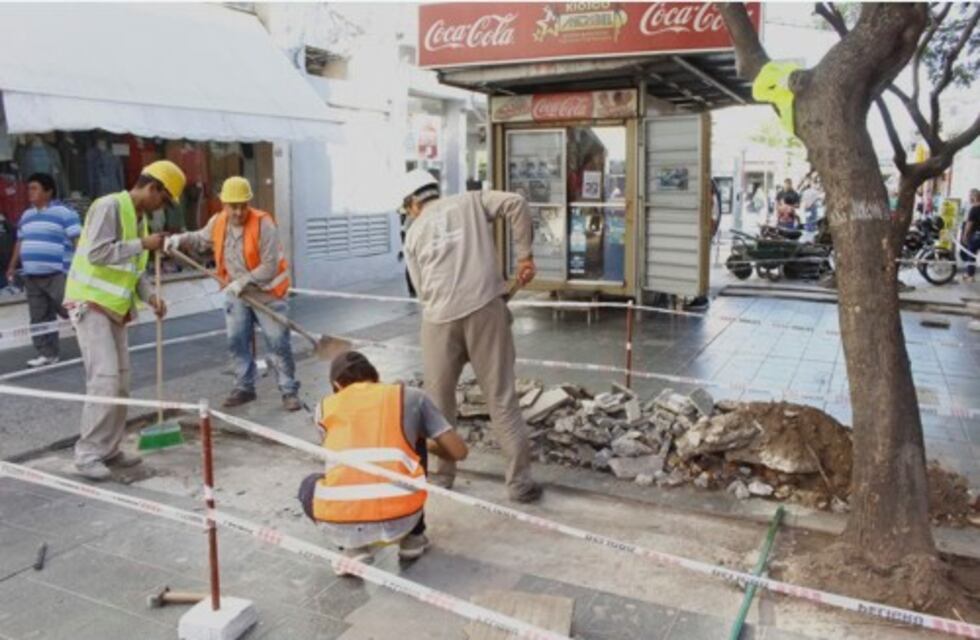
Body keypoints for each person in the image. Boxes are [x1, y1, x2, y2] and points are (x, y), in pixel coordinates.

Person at [399, 168, 542, 503]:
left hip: (438, 321)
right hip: (485, 312)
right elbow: (516, 203)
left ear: (412, 204)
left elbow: (421, 290)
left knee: (438, 403)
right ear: (434, 191)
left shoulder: (413, 232)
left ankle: (442, 477)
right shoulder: (472, 201)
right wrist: (525, 256)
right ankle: (519, 484)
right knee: (502, 399)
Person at [65, 160, 183, 480]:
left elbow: (133, 271)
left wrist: (151, 297)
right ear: (152, 187)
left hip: (115, 308)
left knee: (122, 382)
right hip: (90, 303)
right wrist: (142, 244)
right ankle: (88, 453)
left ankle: (109, 448)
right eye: (164, 199)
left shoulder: (139, 221)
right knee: (104, 380)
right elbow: (97, 253)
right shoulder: (109, 206)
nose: (162, 207)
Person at [297, 351, 468, 573]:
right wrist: (416, 438)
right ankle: (413, 539)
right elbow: (459, 452)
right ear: (376, 376)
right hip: (403, 515)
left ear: (337, 385)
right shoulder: (411, 396)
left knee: (310, 484)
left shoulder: (324, 407)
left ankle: (353, 549)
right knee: (414, 442)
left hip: (343, 517)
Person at [165, 176, 301, 411]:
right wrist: (179, 239)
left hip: (268, 294)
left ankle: (289, 391)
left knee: (278, 342)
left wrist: (244, 281)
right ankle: (244, 388)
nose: (238, 212)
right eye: (232, 206)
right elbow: (200, 238)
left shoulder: (263, 224)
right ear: (223, 204)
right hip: (236, 296)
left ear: (249, 203)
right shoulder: (218, 222)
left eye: (242, 205)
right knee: (237, 342)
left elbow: (269, 266)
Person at [4, 174, 82, 367]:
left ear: (48, 191)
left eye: (34, 188)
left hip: (58, 274)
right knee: (39, 316)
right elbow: (20, 242)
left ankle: (92, 344)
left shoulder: (65, 213)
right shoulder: (26, 215)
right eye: (29, 188)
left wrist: (82, 266)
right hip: (32, 276)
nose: (30, 192)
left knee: (73, 311)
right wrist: (12, 266)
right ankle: (47, 353)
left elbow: (78, 241)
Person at [961, 188, 980, 283]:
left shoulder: (974, 208)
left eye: (970, 196)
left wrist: (965, 235)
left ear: (974, 197)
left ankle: (970, 275)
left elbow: (969, 224)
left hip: (976, 236)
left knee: (971, 254)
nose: (969, 198)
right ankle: (968, 274)